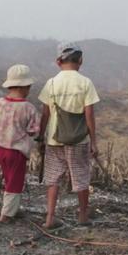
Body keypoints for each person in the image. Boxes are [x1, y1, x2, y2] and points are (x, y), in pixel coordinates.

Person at [38, 42, 100, 228]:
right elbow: (89, 115)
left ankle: (50, 218)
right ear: (80, 60)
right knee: (81, 177)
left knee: (53, 178)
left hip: (54, 140)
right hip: (79, 140)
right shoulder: (85, 83)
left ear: (58, 61)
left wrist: (41, 137)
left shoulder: (51, 83)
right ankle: (82, 216)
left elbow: (45, 114)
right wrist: (94, 142)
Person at [0, 64, 41, 223]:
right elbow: (34, 130)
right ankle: (6, 215)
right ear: (25, 87)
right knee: (15, 182)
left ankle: (10, 209)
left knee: (8, 178)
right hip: (16, 151)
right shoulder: (28, 108)